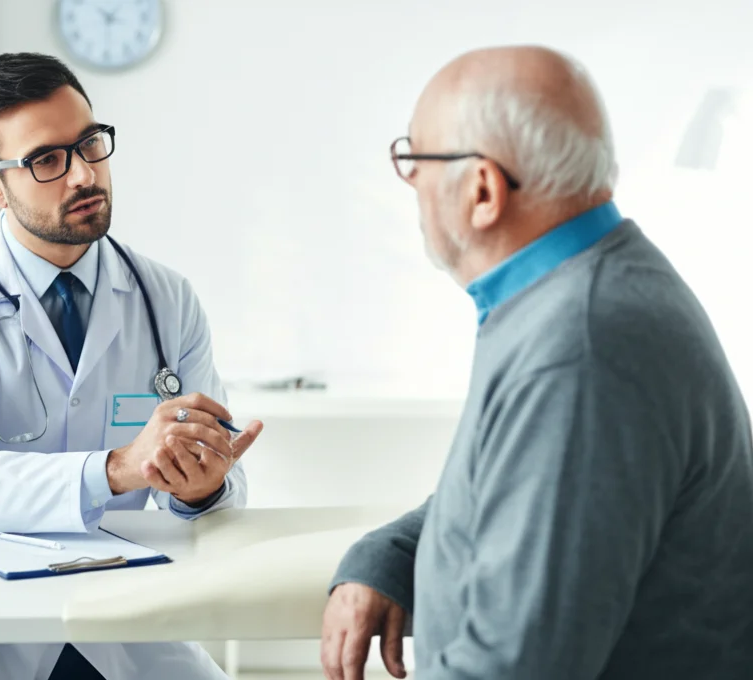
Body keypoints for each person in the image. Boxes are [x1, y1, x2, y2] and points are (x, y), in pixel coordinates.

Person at [320, 45, 753, 680]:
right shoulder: (584, 291)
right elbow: (516, 494)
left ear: (484, 190)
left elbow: (515, 668)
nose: (409, 182)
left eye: (414, 158)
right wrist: (387, 555)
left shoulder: (582, 349)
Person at [0, 52, 263, 680]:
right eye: (46, 159)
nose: (83, 176)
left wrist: (202, 485)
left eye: (89, 144)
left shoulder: (167, 298)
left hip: (125, 617)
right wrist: (121, 469)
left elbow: (214, 503)